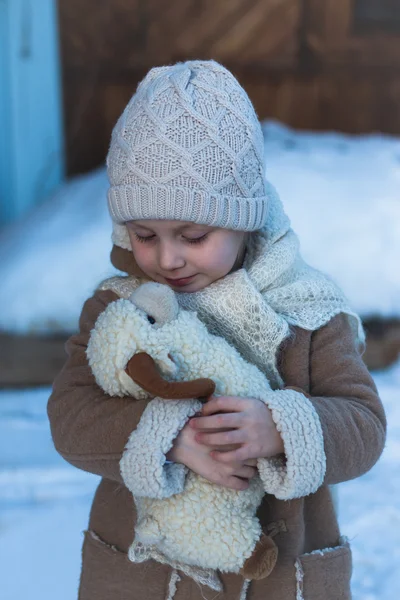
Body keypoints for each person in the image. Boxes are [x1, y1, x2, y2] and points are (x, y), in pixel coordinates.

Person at [47, 60, 386, 600]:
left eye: (193, 234)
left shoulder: (307, 312)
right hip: (144, 574)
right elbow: (71, 417)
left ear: (243, 219)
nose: (167, 258)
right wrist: (169, 438)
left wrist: (282, 429)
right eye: (144, 235)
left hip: (279, 573)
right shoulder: (120, 309)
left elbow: (364, 425)